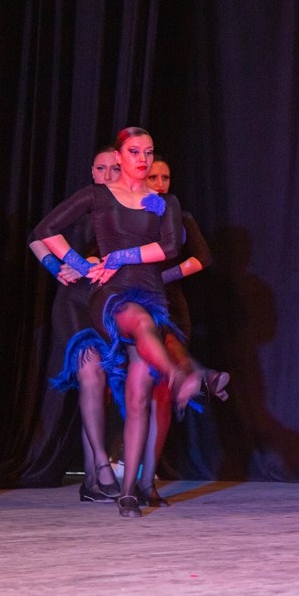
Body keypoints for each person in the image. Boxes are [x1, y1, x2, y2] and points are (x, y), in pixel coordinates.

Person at [34, 127, 228, 517]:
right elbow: (44, 231)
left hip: (153, 295)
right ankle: (183, 376)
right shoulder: (97, 196)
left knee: (139, 394)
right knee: (138, 322)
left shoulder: (165, 202)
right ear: (119, 157)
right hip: (113, 297)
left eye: (148, 152)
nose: (142, 159)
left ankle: (128, 493)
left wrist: (120, 257)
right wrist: (79, 265)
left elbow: (169, 248)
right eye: (135, 152)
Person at [26, 147, 123, 502]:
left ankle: (92, 483)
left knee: (99, 388)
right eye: (101, 168)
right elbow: (37, 235)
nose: (108, 174)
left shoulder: (131, 206)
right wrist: (60, 268)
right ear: (92, 172)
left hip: (110, 304)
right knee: (91, 374)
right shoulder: (83, 202)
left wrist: (94, 262)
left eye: (116, 168)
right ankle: (100, 464)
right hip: (75, 304)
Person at [137, 155, 214, 508]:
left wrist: (164, 277)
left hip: (172, 307)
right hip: (136, 308)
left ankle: (147, 480)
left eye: (165, 177)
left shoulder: (179, 214)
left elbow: (203, 257)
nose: (160, 184)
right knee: (136, 395)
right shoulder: (126, 213)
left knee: (162, 399)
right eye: (153, 177)